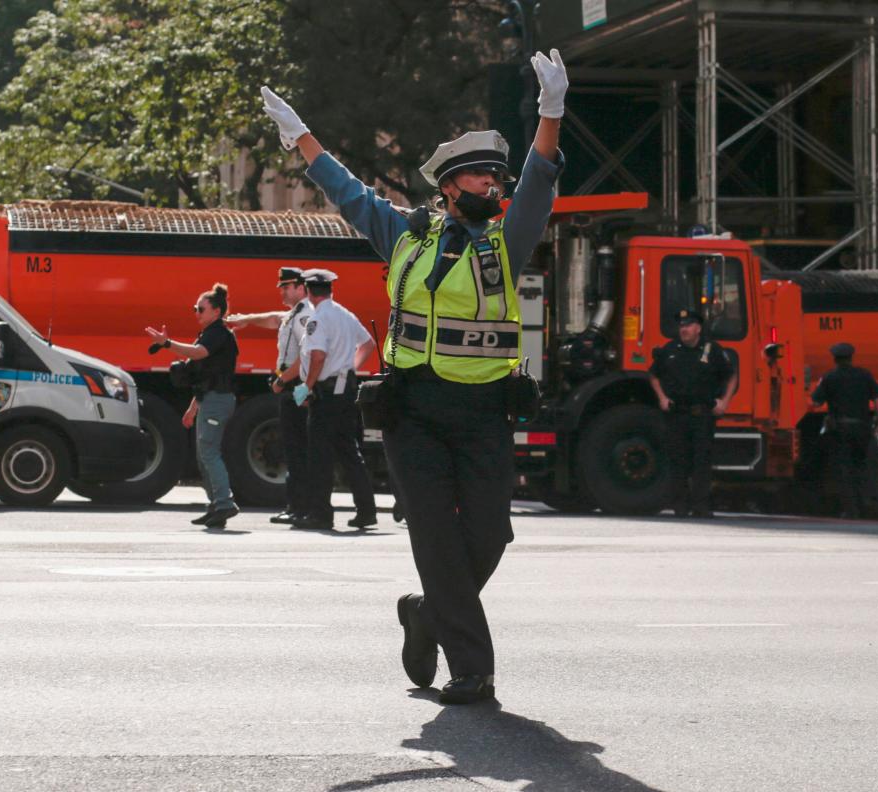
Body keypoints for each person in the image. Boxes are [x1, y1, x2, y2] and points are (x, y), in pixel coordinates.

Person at [258, 47, 568, 705]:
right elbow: (346, 190)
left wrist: (550, 111)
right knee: (434, 535)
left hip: (484, 408)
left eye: (498, 180)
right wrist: (301, 137)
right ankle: (473, 669)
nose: (497, 187)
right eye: (485, 180)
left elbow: (540, 180)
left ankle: (427, 613)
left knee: (489, 534)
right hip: (413, 411)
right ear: (451, 186)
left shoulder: (505, 242)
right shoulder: (405, 235)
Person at [146, 284, 240, 529]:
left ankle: (224, 503)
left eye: (201, 309)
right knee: (203, 454)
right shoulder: (210, 332)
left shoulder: (218, 333)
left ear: (216, 311)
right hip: (210, 398)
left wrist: (168, 344)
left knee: (209, 452)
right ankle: (216, 507)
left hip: (218, 400)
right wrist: (193, 407)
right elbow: (206, 377)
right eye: (195, 308)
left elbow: (198, 354)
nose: (196, 313)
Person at [292, 268, 377, 533]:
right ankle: (366, 511)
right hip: (346, 388)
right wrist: (348, 367)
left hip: (327, 393)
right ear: (330, 291)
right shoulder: (345, 314)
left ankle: (321, 515)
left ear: (308, 292)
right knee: (349, 451)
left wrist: (307, 386)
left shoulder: (318, 318)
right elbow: (369, 343)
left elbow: (317, 356)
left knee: (320, 455)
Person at [227, 267, 314, 525]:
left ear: (301, 287)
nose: (282, 292)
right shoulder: (294, 314)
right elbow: (275, 318)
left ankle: (300, 507)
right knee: (294, 446)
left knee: (297, 448)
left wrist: (281, 380)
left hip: (295, 385)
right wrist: (248, 319)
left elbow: (306, 355)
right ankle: (296, 505)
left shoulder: (305, 315)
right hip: (291, 385)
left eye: (287, 287)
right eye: (281, 287)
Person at [649, 309, 738, 518]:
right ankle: (680, 506)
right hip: (677, 415)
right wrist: (662, 398)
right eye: (681, 326)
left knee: (702, 463)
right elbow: (653, 375)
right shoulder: (670, 350)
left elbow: (731, 376)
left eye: (688, 326)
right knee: (678, 461)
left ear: (698, 328)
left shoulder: (712, 350)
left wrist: (724, 402)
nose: (684, 329)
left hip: (702, 416)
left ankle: (701, 506)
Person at [810, 342, 878, 519]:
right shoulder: (864, 375)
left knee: (844, 469)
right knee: (860, 466)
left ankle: (851, 510)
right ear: (851, 358)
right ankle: (865, 505)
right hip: (862, 428)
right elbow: (877, 402)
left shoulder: (830, 377)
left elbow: (815, 402)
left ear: (834, 359)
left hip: (840, 430)